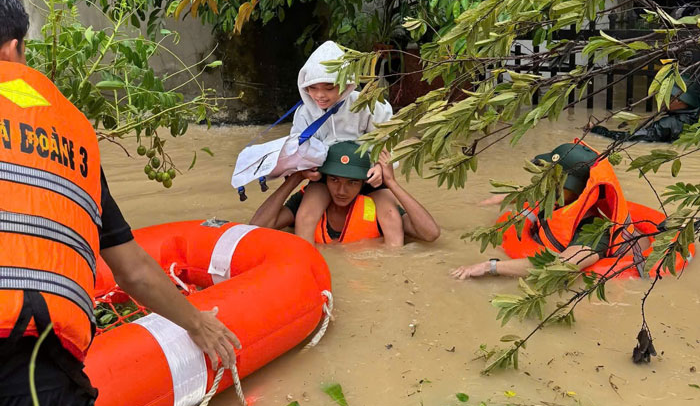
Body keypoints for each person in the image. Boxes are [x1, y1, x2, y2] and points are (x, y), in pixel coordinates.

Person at [0, 0, 240, 406]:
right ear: (15, 50)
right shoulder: (65, 133)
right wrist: (199, 323)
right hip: (31, 383)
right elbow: (131, 269)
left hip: (24, 373)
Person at [451, 141, 647, 279]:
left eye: (553, 180)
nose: (545, 183)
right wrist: (485, 203)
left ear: (573, 188)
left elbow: (559, 266)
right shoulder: (559, 200)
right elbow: (520, 195)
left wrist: (489, 267)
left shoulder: (594, 232)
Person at [275, 41, 406, 245]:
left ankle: (395, 268)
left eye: (329, 88)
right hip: (328, 176)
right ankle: (307, 264)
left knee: (392, 219)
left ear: (347, 83)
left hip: (366, 175)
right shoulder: (305, 113)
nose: (320, 95)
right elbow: (298, 150)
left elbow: (386, 141)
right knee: (305, 216)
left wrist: (380, 168)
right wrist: (308, 170)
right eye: (312, 88)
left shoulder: (369, 104)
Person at [250, 141, 440, 244]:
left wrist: (391, 183)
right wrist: (295, 178)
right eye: (334, 180)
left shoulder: (379, 210)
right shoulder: (308, 202)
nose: (341, 191)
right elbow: (256, 228)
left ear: (363, 183)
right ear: (324, 179)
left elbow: (430, 234)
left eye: (352, 182)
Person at [591, 73, 700, 143]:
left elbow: (634, 137)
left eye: (665, 96)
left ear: (678, 100)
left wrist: (599, 131)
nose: (660, 99)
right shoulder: (695, 118)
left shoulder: (668, 124)